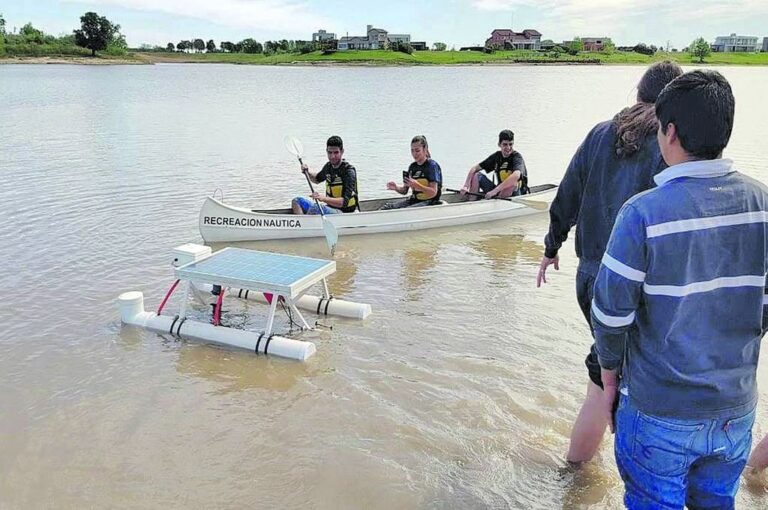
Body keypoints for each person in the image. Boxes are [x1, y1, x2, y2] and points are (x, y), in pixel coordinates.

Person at [592, 69, 768, 508]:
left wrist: (609, 378)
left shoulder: (642, 213)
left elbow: (610, 314)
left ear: (669, 133)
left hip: (659, 410)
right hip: (734, 411)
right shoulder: (763, 204)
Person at [536, 61, 683, 463]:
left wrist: (551, 248)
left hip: (589, 278)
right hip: (635, 287)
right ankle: (620, 477)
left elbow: (566, 195)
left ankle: (576, 474)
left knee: (601, 380)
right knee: (626, 386)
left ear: (639, 93)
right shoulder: (670, 145)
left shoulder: (601, 133)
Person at [291, 135, 358, 215]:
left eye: (336, 152)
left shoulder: (349, 171)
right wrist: (307, 172)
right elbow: (316, 179)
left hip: (345, 212)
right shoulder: (328, 167)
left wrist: (322, 198)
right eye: (330, 152)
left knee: (316, 208)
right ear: (326, 151)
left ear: (342, 151)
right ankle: (303, 221)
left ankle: (305, 221)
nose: (332, 156)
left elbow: (343, 202)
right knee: (296, 201)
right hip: (330, 208)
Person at [460, 129, 528, 200]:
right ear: (499, 144)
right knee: (477, 175)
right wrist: (466, 185)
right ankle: (472, 202)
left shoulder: (517, 157)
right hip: (498, 192)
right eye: (505, 144)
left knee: (512, 184)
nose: (508, 148)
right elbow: (474, 168)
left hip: (516, 194)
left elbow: (516, 175)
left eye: (510, 144)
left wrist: (494, 191)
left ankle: (497, 202)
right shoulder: (496, 156)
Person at [379, 135, 442, 210]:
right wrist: (396, 188)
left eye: (417, 151)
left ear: (425, 150)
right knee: (388, 207)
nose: (414, 154)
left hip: (430, 202)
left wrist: (417, 185)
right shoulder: (412, 167)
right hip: (414, 200)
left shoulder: (432, 166)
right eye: (412, 150)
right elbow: (404, 191)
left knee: (405, 211)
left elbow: (433, 192)